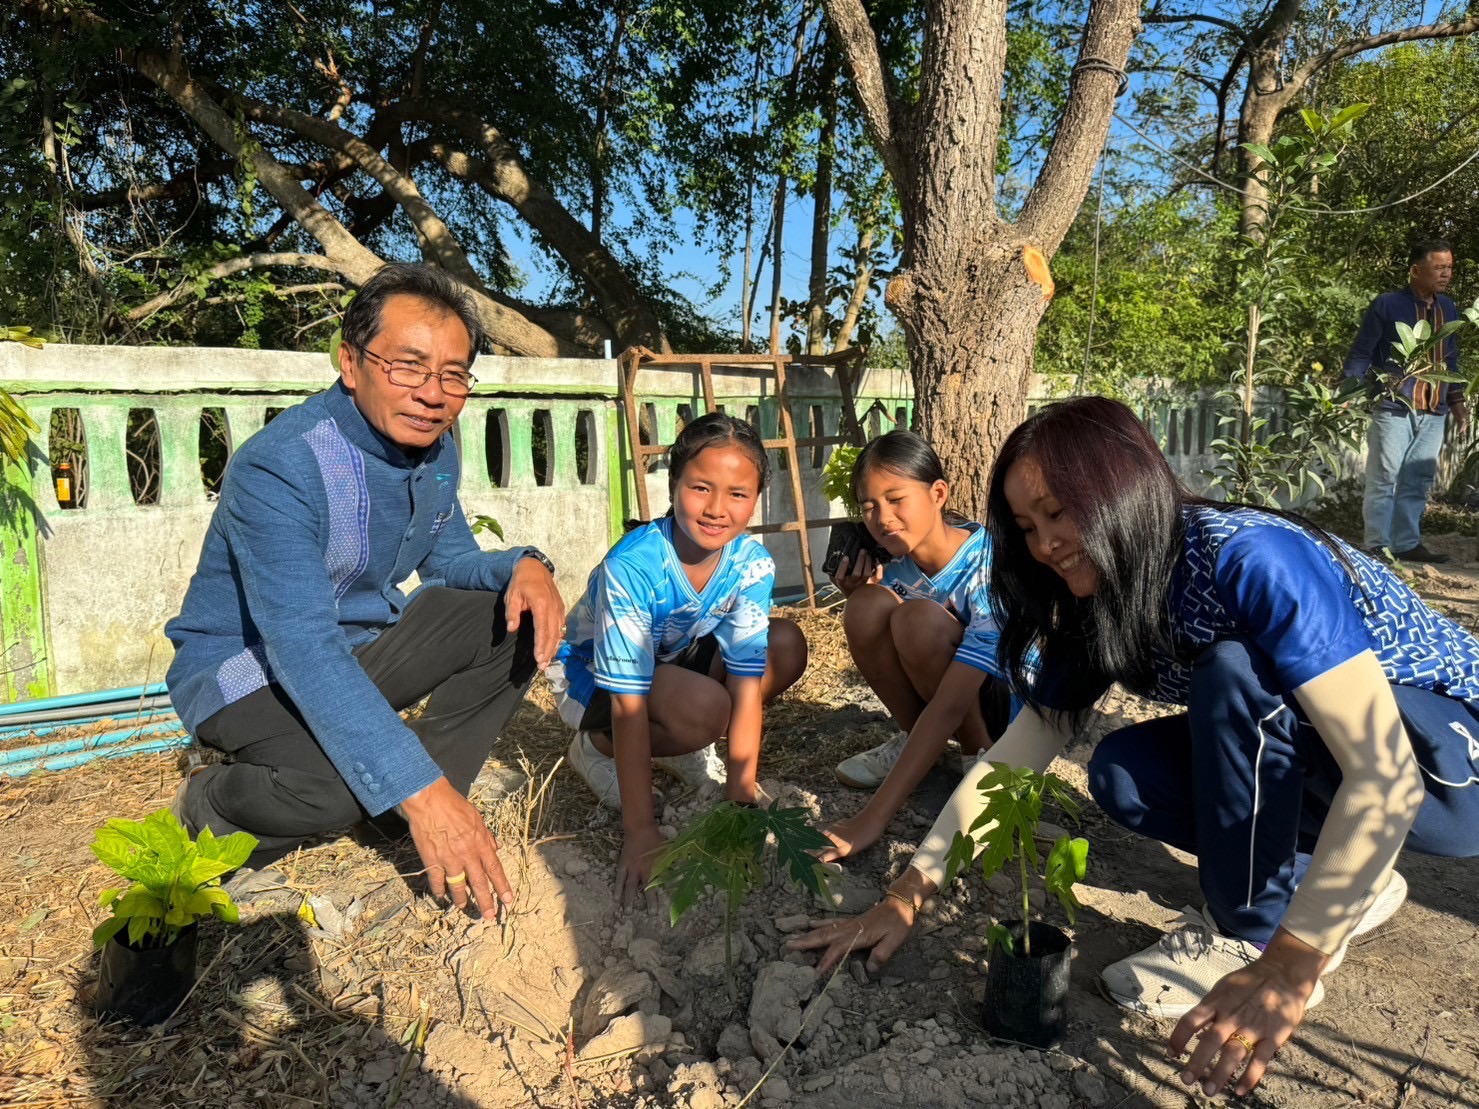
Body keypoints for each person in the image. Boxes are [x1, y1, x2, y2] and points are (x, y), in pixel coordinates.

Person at [791, 396, 1479, 1099]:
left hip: (1448, 767)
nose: (1043, 543)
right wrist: (908, 894)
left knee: (1234, 670)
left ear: (1122, 485)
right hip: (1339, 758)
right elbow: (1011, 759)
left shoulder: (1246, 558)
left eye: (1058, 512)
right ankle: (1329, 878)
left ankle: (1255, 932)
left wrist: (1291, 964)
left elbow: (1385, 774)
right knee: (1125, 774)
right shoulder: (1095, 600)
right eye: (1026, 526)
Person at [166, 263, 566, 921]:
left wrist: (525, 566)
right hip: (246, 671)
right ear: (351, 364)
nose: (433, 393)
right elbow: (301, 646)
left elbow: (452, 559)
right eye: (408, 366)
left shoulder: (435, 450)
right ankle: (209, 799)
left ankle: (403, 812)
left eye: (453, 373)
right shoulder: (282, 464)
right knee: (331, 795)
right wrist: (417, 788)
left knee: (508, 617)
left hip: (351, 655)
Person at [549, 413, 807, 906]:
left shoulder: (751, 563)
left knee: (785, 645)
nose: (716, 509)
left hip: (673, 662)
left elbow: (748, 682)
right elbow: (627, 701)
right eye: (700, 488)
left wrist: (740, 792)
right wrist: (641, 830)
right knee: (708, 711)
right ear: (672, 486)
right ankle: (593, 748)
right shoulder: (634, 565)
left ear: (755, 500)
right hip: (592, 680)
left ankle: (685, 738)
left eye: (737, 494)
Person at [820, 430, 1013, 856]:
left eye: (896, 498)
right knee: (866, 607)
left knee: (918, 619)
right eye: (868, 506)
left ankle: (979, 761)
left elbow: (949, 698)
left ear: (938, 493)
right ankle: (916, 742)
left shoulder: (988, 565)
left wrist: (870, 819)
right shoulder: (895, 563)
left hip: (1007, 708)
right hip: (947, 697)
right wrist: (859, 591)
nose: (881, 517)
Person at [1344, 239, 1469, 563]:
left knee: (1419, 478)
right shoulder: (1387, 304)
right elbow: (1362, 352)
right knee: (1384, 477)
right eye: (1439, 267)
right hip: (1394, 405)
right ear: (1416, 270)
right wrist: (1347, 392)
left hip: (1434, 409)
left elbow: (1450, 360)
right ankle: (1376, 545)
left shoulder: (1449, 309)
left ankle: (1405, 543)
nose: (1446, 274)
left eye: (1449, 267)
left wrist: (1457, 402)